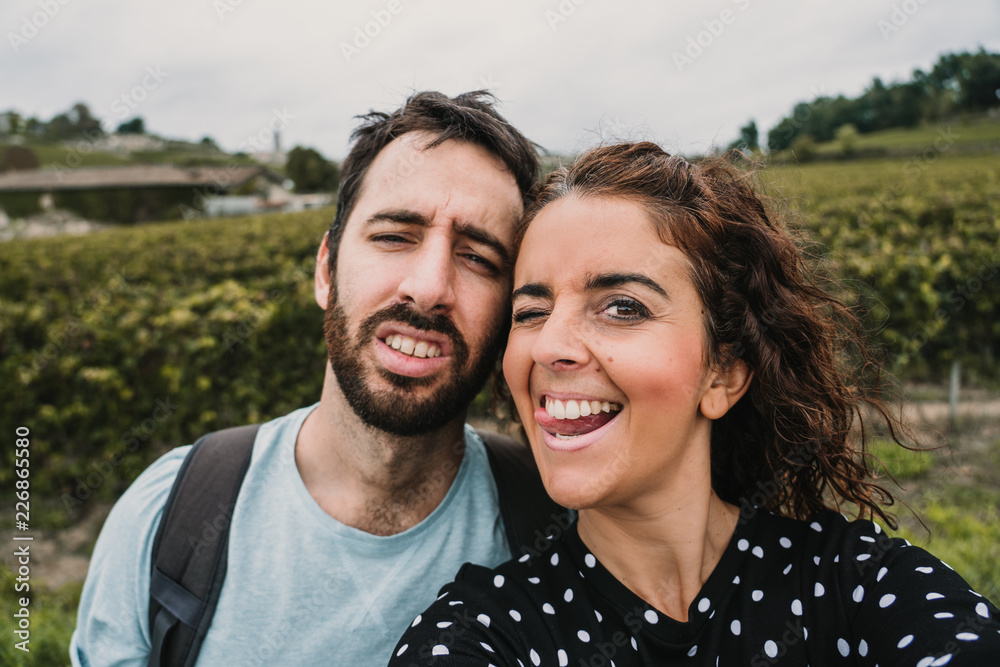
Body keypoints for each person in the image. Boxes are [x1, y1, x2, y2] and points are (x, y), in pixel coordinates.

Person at [389, 142, 1000, 665]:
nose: (549, 346)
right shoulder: (485, 634)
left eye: (621, 306)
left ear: (725, 373)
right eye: (530, 312)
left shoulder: (861, 589)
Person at [70, 90, 555, 666]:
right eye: (395, 235)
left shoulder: (554, 530)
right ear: (326, 269)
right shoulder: (167, 517)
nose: (429, 288)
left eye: (479, 257)